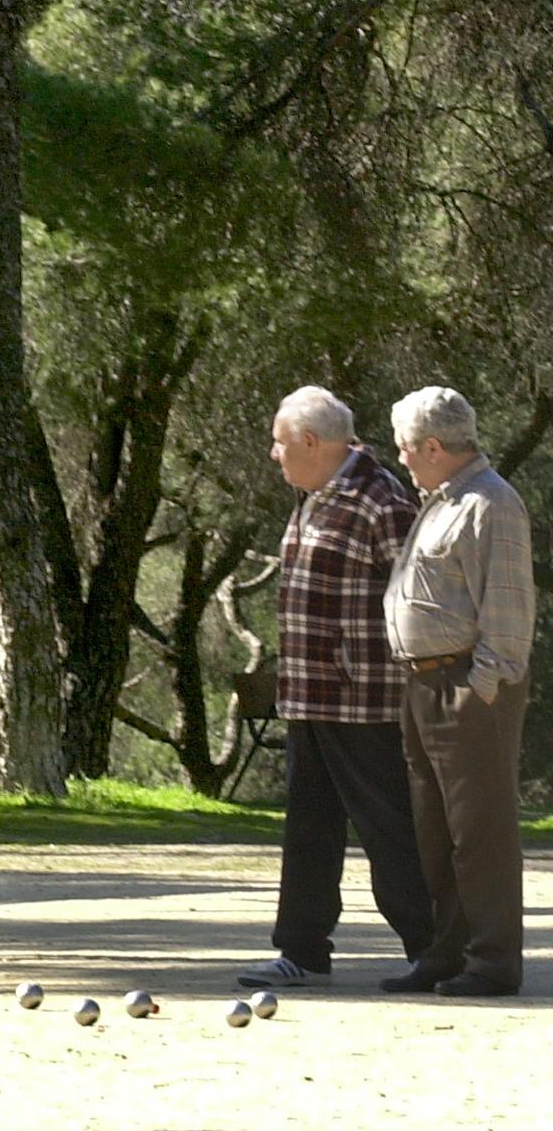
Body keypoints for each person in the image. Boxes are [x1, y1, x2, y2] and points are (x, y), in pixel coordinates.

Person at [235, 387, 435, 991]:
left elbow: (417, 599)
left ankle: (432, 948)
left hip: (363, 699)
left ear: (312, 442)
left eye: (280, 441)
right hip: (309, 698)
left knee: (389, 828)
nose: (274, 454)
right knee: (308, 830)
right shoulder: (314, 497)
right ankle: (301, 950)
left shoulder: (379, 500)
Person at [382, 387, 536, 998]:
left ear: (433, 446)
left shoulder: (491, 503)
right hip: (424, 683)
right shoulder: (440, 501)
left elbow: (509, 605)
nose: (402, 460)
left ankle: (493, 961)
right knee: (436, 831)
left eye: (405, 449)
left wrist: (484, 687)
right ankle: (447, 953)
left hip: (467, 685)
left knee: (481, 832)